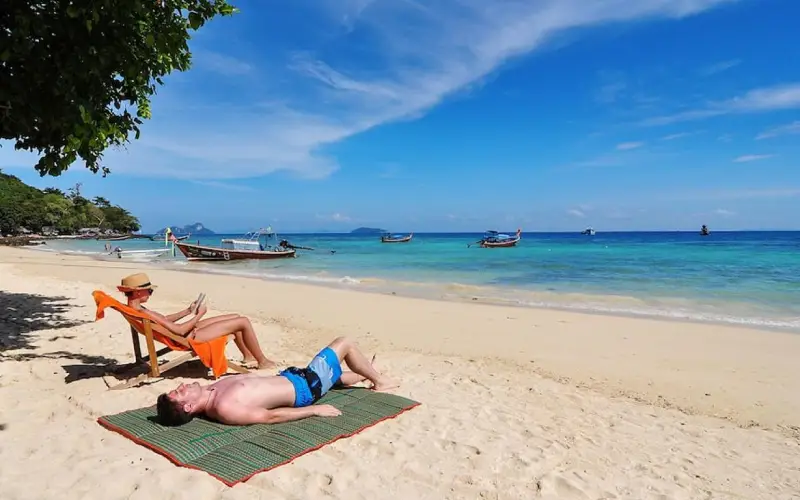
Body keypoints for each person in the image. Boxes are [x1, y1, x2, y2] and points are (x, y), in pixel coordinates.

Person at [156, 336, 399, 426]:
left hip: (293, 376)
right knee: (344, 343)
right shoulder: (224, 407)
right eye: (179, 393)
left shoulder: (209, 390)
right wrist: (314, 410)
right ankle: (379, 381)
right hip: (307, 388)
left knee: (336, 376)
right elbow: (269, 416)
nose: (181, 386)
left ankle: (366, 372)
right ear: (189, 407)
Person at [118, 272, 275, 370]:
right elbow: (179, 330)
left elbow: (164, 320)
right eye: (149, 290)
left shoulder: (134, 310)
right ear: (137, 292)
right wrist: (199, 314)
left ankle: (248, 356)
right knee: (243, 321)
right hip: (187, 338)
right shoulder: (142, 312)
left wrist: (188, 311)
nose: (150, 293)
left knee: (235, 317)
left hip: (182, 333)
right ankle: (263, 361)